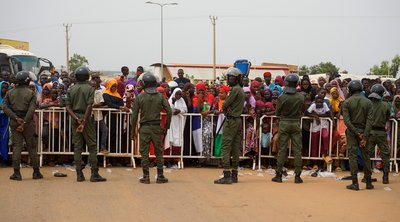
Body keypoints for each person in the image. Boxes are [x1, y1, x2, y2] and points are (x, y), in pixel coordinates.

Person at [65, 66, 106, 182]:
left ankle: (79, 174)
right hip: (86, 118)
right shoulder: (89, 89)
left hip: (75, 118)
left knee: (77, 147)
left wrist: (77, 118)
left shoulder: (70, 89)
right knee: (92, 146)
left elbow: (67, 107)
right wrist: (83, 120)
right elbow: (89, 105)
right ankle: (94, 174)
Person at [131, 72, 172, 184]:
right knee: (159, 152)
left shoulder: (140, 97)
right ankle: (160, 176)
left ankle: (146, 176)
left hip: (144, 127)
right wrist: (166, 126)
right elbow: (169, 111)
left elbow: (134, 115)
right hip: (156, 127)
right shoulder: (160, 96)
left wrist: (132, 131)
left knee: (144, 152)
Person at [1, 71, 43, 181]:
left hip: (15, 121)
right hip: (27, 122)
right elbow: (31, 109)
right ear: (27, 80)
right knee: (32, 147)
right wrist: (24, 122)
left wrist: (15, 118)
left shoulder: (10, 93)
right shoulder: (31, 93)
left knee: (16, 147)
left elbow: (4, 107)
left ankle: (16, 173)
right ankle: (36, 172)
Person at [272, 74, 304, 184]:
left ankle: (279, 175)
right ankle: (298, 176)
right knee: (297, 150)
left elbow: (277, 113)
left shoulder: (282, 97)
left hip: (284, 123)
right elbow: (301, 110)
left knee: (282, 149)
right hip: (295, 123)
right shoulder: (300, 97)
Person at [214, 67, 245, 184]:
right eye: (229, 77)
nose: (229, 79)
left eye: (232, 77)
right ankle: (234, 174)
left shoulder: (234, 90)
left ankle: (227, 174)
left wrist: (225, 107)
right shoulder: (240, 89)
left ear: (236, 78)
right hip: (237, 120)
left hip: (231, 120)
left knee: (225, 147)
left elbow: (225, 104)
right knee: (235, 147)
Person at [342, 80, 373, 190]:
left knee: (353, 156)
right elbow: (370, 121)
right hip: (365, 131)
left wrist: (357, 133)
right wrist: (364, 136)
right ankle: (368, 182)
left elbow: (347, 121)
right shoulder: (368, 102)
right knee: (366, 156)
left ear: (349, 90)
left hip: (352, 131)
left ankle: (355, 183)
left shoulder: (347, 102)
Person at [365, 84, 391, 184]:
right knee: (385, 155)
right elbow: (388, 117)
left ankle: (367, 176)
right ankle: (385, 177)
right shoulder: (385, 104)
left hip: (370, 132)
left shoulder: (368, 104)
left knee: (367, 154)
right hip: (381, 132)